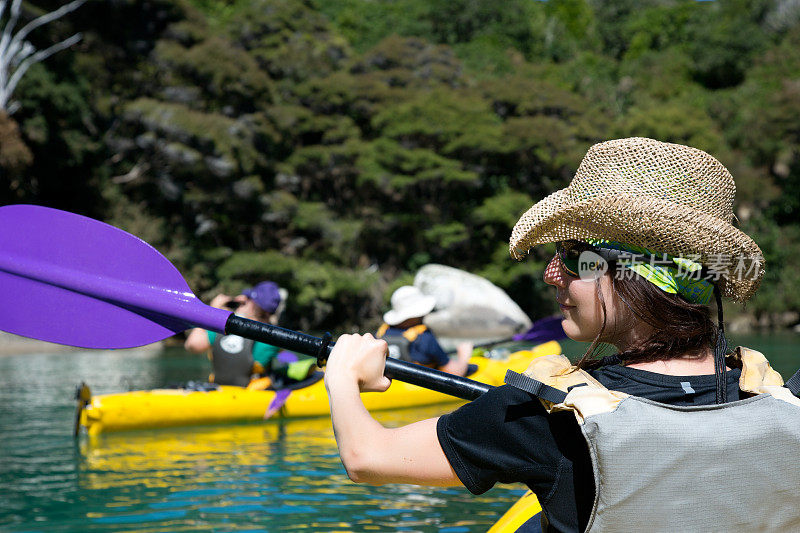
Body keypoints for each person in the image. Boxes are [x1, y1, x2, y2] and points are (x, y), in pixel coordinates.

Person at [323, 138, 800, 532]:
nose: (552, 273)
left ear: (643, 276)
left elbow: (368, 457)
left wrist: (344, 373)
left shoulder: (546, 417)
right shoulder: (785, 401)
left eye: (576, 258)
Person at [185, 281, 313, 388]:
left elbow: (191, 345)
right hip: (253, 391)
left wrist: (212, 311)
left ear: (250, 304)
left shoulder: (223, 327)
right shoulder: (273, 339)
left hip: (221, 388)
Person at [376, 285, 473, 376]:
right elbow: (454, 373)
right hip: (418, 390)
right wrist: (464, 355)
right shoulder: (425, 338)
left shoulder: (382, 333)